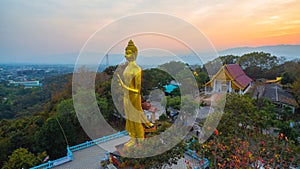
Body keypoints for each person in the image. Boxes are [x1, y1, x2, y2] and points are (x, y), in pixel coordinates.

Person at [117, 40, 154, 147]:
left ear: (134, 54)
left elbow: (137, 90)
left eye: (128, 52)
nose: (126, 55)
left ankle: (141, 139)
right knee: (129, 119)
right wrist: (123, 87)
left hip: (134, 98)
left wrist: (124, 86)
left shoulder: (137, 69)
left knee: (136, 118)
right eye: (125, 52)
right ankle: (133, 138)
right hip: (126, 97)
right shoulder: (127, 68)